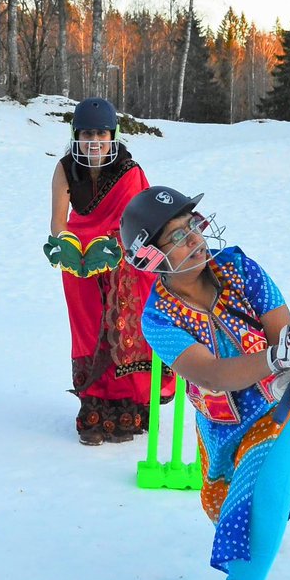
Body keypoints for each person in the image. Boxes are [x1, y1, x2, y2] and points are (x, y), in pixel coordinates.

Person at [119, 185, 290, 580]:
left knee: (263, 506)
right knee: (250, 515)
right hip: (227, 435)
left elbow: (283, 334)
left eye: (194, 226)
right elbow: (210, 373)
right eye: (177, 237)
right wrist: (279, 357)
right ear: (148, 258)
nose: (196, 240)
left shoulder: (240, 267)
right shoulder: (158, 318)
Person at [44, 97, 173, 445]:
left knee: (126, 331)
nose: (94, 141)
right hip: (81, 264)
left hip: (124, 263)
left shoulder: (130, 171)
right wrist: (67, 246)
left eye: (100, 133)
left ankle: (128, 409)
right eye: (86, 134)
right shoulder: (65, 168)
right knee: (88, 331)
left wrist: (117, 248)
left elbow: (140, 222)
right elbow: (58, 222)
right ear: (76, 135)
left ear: (112, 134)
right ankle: (95, 409)